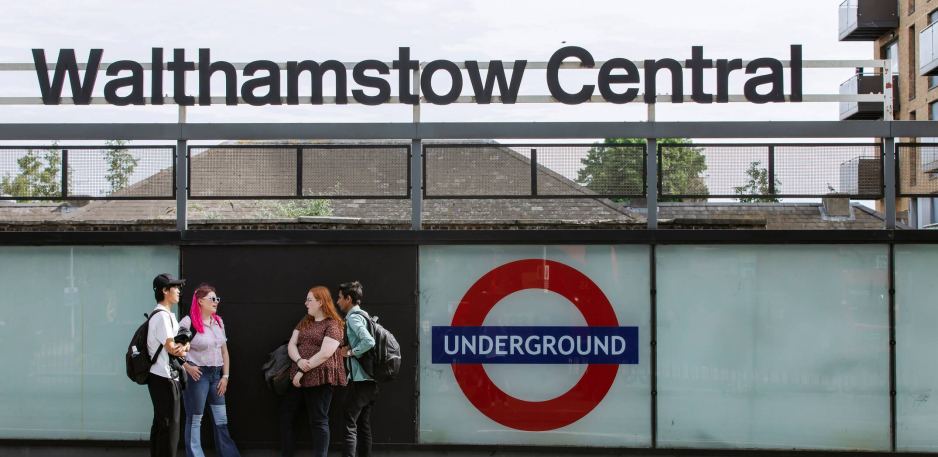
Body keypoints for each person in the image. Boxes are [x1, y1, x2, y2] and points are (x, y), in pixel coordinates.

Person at [280, 286, 347, 457]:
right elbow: (292, 344)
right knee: (287, 415)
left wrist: (302, 370)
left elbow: (325, 353)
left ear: (321, 302)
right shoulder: (305, 321)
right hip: (298, 375)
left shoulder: (333, 324)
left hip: (320, 378)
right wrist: (299, 361)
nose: (306, 303)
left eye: (309, 300)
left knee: (318, 420)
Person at [179, 284, 241, 457]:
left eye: (217, 299)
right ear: (200, 301)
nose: (216, 302)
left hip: (216, 376)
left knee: (221, 420)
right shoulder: (188, 322)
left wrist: (225, 377)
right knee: (195, 419)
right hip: (197, 376)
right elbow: (175, 351)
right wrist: (188, 368)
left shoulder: (218, 322)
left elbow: (224, 351)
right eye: (212, 299)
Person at [148, 273, 190, 457]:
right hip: (163, 377)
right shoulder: (162, 317)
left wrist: (184, 347)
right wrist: (184, 349)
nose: (179, 291)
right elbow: (173, 348)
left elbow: (181, 345)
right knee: (169, 427)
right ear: (165, 291)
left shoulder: (167, 315)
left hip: (163, 376)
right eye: (175, 287)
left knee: (162, 424)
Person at [336, 281, 377, 457]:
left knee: (349, 427)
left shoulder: (353, 318)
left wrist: (350, 352)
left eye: (340, 298)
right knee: (363, 426)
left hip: (359, 382)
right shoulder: (365, 316)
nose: (337, 302)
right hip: (370, 381)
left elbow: (369, 341)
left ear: (348, 298)